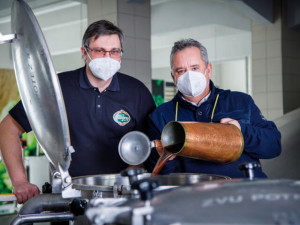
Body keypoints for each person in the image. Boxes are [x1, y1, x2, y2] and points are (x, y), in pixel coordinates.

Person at [0, 20, 156, 203]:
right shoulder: (57, 88)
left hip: (122, 197)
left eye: (114, 51)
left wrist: (132, 172)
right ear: (84, 52)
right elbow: (7, 128)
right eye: (99, 50)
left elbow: (150, 144)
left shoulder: (137, 92)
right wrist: (19, 181)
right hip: (68, 197)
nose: (108, 57)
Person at [144, 38, 281, 178]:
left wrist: (241, 131)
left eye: (195, 68)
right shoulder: (160, 116)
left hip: (245, 192)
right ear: (173, 77)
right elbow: (158, 174)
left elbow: (274, 146)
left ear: (208, 70)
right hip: (195, 196)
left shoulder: (240, 101)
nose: (189, 76)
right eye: (181, 70)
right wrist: (165, 157)